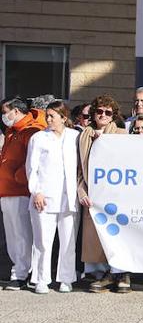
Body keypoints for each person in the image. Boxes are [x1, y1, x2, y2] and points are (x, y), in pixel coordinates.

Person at [24, 101, 78, 294]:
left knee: (68, 240)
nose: (48, 119)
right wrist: (36, 191)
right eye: (47, 115)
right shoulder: (38, 138)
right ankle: (40, 279)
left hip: (69, 197)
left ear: (64, 118)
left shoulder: (75, 136)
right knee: (42, 241)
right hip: (44, 197)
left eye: (52, 116)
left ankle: (66, 278)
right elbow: (32, 167)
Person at [80, 96, 129, 292]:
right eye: (99, 111)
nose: (103, 115)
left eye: (108, 112)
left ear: (113, 115)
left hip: (116, 194)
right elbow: (78, 170)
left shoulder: (122, 134)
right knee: (98, 237)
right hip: (93, 193)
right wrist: (81, 191)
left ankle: (121, 272)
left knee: (119, 233)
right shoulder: (83, 135)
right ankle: (103, 274)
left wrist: (107, 143)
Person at [1, 97, 47, 289]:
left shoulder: (32, 131)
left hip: (19, 190)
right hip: (7, 189)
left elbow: (33, 161)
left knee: (21, 235)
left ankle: (21, 273)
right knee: (14, 235)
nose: (3, 116)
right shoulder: (13, 131)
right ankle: (19, 270)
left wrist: (18, 177)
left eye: (5, 111)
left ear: (17, 111)